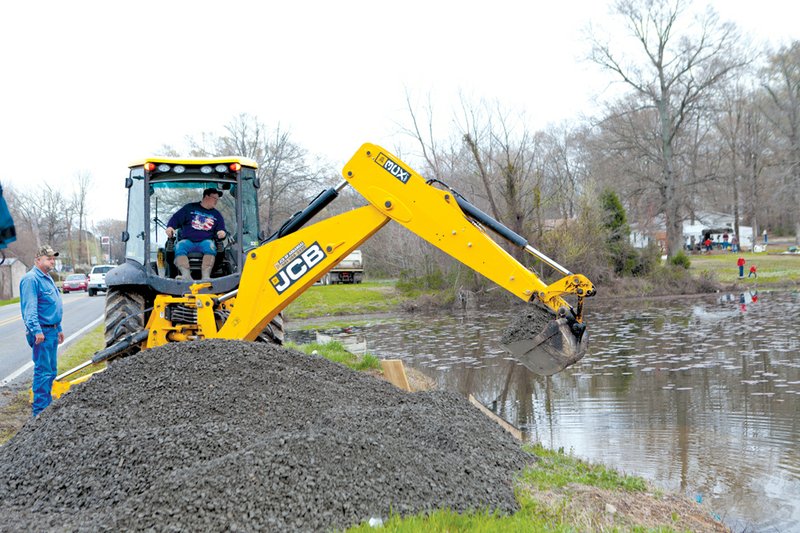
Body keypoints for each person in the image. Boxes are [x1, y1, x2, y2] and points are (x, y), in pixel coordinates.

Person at [19, 245, 64, 417]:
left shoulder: (47, 277)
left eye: (53, 258)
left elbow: (52, 306)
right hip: (42, 333)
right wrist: (37, 331)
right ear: (38, 260)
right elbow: (29, 309)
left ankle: (46, 407)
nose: (52, 261)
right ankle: (39, 414)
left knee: (51, 371)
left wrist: (58, 328)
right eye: (48, 258)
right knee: (43, 371)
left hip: (51, 331)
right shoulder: (31, 279)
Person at [166, 188, 226, 279]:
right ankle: (186, 275)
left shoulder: (217, 215)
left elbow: (221, 229)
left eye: (217, 199)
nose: (216, 201)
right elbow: (175, 219)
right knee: (179, 246)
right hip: (188, 241)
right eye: (215, 199)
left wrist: (222, 233)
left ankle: (206, 277)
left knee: (210, 246)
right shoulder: (189, 208)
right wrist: (170, 227)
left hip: (205, 242)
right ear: (206, 197)